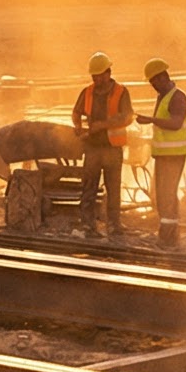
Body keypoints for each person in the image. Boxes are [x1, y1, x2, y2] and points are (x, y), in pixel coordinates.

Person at [71, 51, 133, 236]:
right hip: (92, 148)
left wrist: (103, 125)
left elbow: (127, 117)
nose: (96, 79)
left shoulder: (121, 92)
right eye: (94, 76)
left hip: (112, 148)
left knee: (113, 189)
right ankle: (88, 225)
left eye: (99, 75)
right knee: (88, 187)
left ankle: (114, 225)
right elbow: (76, 112)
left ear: (108, 73)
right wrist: (78, 126)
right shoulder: (87, 92)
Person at [136, 57, 186, 244]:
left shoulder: (177, 97)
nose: (153, 85)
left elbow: (175, 123)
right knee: (162, 194)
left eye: (154, 81)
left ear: (163, 77)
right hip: (164, 154)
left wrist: (150, 120)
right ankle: (167, 234)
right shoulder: (163, 97)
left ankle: (169, 238)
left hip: (174, 155)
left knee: (167, 194)